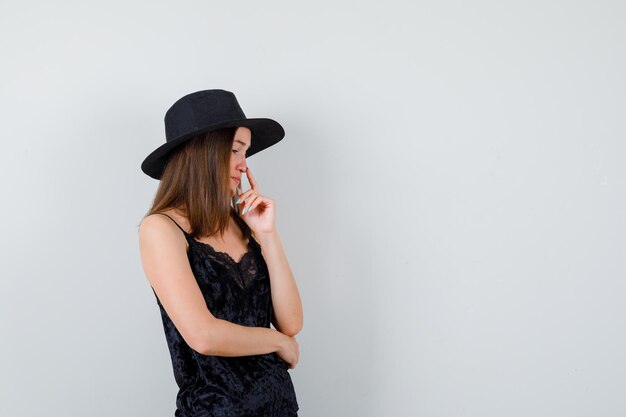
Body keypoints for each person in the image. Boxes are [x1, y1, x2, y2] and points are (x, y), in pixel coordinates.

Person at [138, 89, 302, 416]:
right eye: (235, 150)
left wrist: (268, 235)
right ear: (202, 152)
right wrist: (278, 343)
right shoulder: (161, 228)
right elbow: (203, 336)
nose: (243, 165)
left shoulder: (242, 224)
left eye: (246, 153)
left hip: (280, 407)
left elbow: (291, 322)